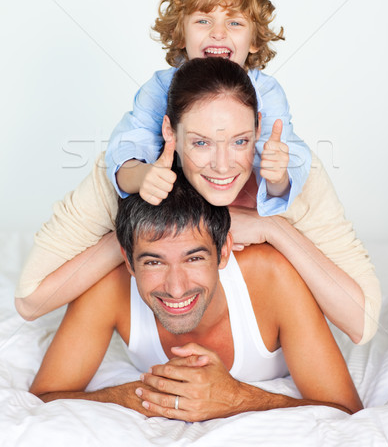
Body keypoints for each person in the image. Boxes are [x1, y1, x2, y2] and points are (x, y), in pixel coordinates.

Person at [15, 0, 380, 344]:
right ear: (169, 129)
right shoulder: (154, 100)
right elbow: (29, 301)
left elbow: (364, 321)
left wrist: (276, 212)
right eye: (204, 20)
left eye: (234, 22)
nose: (218, 33)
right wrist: (134, 232)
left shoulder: (272, 109)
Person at [29, 172, 363, 420]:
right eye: (153, 262)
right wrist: (132, 396)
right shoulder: (109, 286)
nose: (175, 288)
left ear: (224, 251)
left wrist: (236, 398)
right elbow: (44, 396)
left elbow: (345, 410)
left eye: (194, 258)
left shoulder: (274, 277)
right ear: (128, 259)